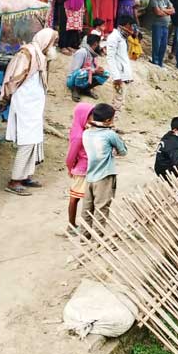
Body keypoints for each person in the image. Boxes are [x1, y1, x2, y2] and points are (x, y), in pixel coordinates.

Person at [0, 28, 59, 195]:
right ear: (45, 41)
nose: (53, 46)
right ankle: (14, 181)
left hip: (33, 107)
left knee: (34, 141)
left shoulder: (38, 54)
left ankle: (25, 176)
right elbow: (14, 78)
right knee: (27, 141)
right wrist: (6, 97)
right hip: (25, 106)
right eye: (52, 42)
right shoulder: (27, 54)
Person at [81, 103, 127, 236]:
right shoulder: (109, 134)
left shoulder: (86, 133)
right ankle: (97, 238)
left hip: (90, 175)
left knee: (87, 208)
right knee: (101, 208)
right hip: (105, 175)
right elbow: (123, 151)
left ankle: (84, 236)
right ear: (108, 120)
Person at [65, 103, 94, 234]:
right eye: (91, 116)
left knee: (84, 198)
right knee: (75, 198)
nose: (93, 118)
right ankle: (71, 225)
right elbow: (71, 155)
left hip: (88, 168)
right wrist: (70, 168)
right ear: (83, 116)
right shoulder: (79, 135)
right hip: (81, 170)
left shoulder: (83, 131)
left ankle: (81, 225)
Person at [106, 15, 134, 117]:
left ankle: (113, 124)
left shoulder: (122, 38)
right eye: (130, 26)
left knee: (120, 102)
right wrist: (116, 76)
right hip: (119, 76)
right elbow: (110, 57)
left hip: (124, 75)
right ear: (126, 25)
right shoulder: (114, 37)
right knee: (117, 103)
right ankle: (111, 125)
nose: (131, 29)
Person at [67, 34, 109, 101]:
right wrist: (94, 71)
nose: (99, 46)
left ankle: (86, 89)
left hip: (86, 76)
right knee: (82, 73)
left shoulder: (93, 54)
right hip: (73, 80)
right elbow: (75, 70)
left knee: (106, 74)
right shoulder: (82, 52)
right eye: (99, 44)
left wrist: (98, 70)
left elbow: (92, 69)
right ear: (95, 44)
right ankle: (76, 90)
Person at [149, 0, 174, 67]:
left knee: (163, 45)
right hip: (157, 25)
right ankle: (155, 60)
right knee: (157, 44)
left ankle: (160, 62)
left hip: (166, 26)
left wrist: (163, 10)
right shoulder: (154, 0)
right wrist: (167, 12)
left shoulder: (166, 0)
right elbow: (158, 13)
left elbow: (173, 11)